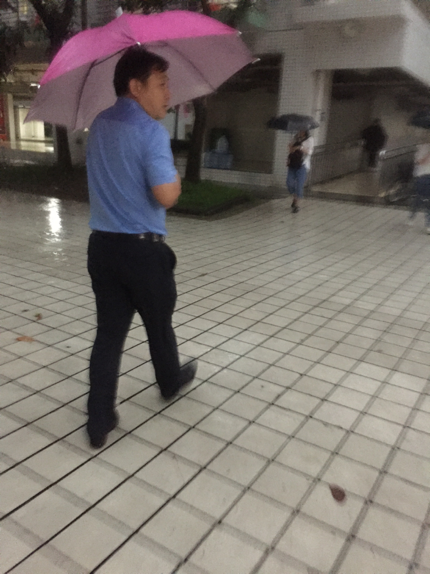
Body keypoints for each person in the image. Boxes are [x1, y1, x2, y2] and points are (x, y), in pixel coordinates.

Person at [85, 46, 197, 449]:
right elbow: (166, 195)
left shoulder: (98, 125)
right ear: (136, 87)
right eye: (161, 84)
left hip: (102, 248)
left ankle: (99, 419)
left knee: (108, 335)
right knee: (159, 323)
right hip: (143, 253)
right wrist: (176, 178)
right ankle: (169, 381)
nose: (169, 93)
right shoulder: (151, 132)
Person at [287, 130, 314, 213]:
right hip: (293, 164)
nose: (300, 132)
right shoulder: (295, 138)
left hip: (303, 165)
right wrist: (291, 147)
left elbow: (310, 152)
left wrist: (300, 147)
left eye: (302, 130)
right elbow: (290, 151)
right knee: (289, 183)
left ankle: (296, 204)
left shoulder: (310, 140)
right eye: (299, 130)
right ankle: (295, 196)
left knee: (299, 185)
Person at [409, 140, 430, 233]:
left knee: (427, 200)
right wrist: (428, 154)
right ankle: (412, 216)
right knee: (420, 199)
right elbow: (420, 162)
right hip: (422, 177)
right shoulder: (422, 147)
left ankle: (428, 224)